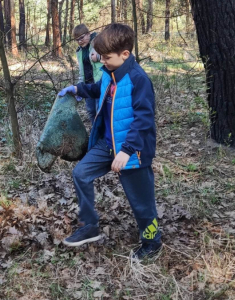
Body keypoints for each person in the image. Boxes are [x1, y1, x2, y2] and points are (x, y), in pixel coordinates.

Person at [58, 23, 162, 260]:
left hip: (132, 152)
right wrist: (77, 88)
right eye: (101, 57)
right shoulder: (109, 72)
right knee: (81, 173)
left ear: (125, 54)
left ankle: (152, 243)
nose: (102, 61)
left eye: (106, 57)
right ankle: (90, 226)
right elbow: (98, 89)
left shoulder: (138, 80)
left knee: (141, 203)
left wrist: (126, 150)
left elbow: (144, 120)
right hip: (107, 145)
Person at [72, 24, 103, 123]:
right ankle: (95, 134)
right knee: (91, 111)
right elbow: (82, 70)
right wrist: (80, 86)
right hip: (87, 85)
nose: (80, 41)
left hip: (99, 83)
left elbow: (110, 57)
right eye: (77, 40)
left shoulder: (98, 43)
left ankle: (102, 136)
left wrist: (98, 57)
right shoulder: (79, 51)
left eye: (81, 38)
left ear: (88, 34)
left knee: (100, 110)